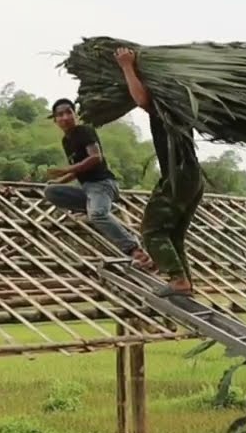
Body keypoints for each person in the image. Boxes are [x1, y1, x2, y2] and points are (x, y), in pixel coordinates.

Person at [115, 46, 205, 296]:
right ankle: (184, 283)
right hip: (192, 176)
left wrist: (126, 66)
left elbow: (143, 100)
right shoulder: (185, 104)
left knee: (152, 231)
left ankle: (178, 280)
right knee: (173, 235)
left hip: (179, 175)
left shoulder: (168, 101)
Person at [43, 98, 153, 270]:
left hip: (102, 184)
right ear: (55, 120)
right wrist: (59, 180)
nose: (64, 117)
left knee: (97, 215)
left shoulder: (84, 131)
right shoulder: (67, 141)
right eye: (60, 115)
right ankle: (91, 207)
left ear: (75, 114)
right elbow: (77, 171)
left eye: (68, 112)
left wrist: (65, 170)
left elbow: (95, 158)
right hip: (87, 189)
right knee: (51, 191)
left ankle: (134, 249)